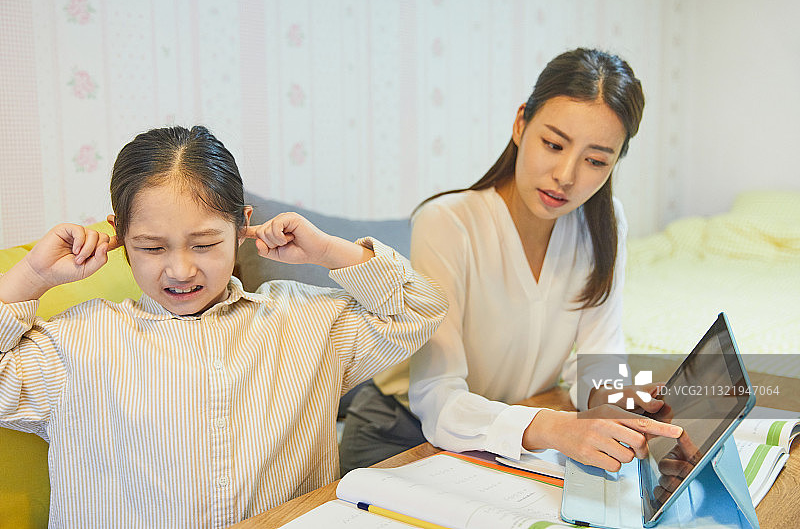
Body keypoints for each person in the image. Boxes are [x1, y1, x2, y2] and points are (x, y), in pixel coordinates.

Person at [0, 126, 446, 526]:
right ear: (120, 236)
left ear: (242, 227)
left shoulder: (304, 320)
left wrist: (329, 251)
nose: (179, 269)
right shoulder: (79, 340)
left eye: (205, 243)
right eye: (152, 247)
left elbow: (418, 309)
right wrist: (33, 276)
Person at [340, 47, 682, 475]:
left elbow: (598, 354)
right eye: (553, 144)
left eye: (596, 161)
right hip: (404, 433)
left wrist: (615, 401)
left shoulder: (605, 225)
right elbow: (437, 396)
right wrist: (555, 428)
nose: (566, 175)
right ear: (521, 123)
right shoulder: (448, 223)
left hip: (518, 429)